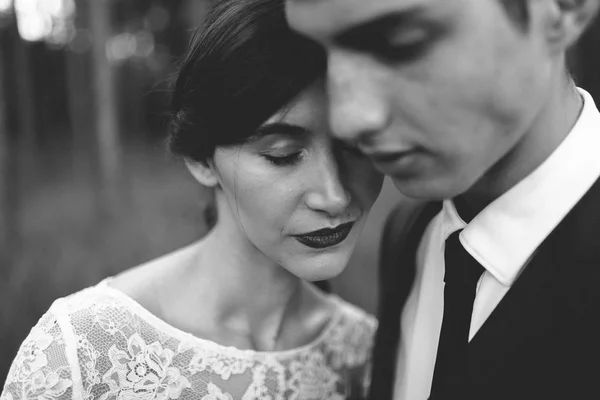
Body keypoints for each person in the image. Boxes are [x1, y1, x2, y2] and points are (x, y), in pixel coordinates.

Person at [1, 0, 384, 399]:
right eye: (283, 155)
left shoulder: (365, 355)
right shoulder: (85, 352)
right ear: (201, 159)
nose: (335, 196)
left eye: (356, 147)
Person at [285, 0, 600, 399]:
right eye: (321, 58)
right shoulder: (413, 230)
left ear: (562, 9)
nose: (347, 119)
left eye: (400, 44)